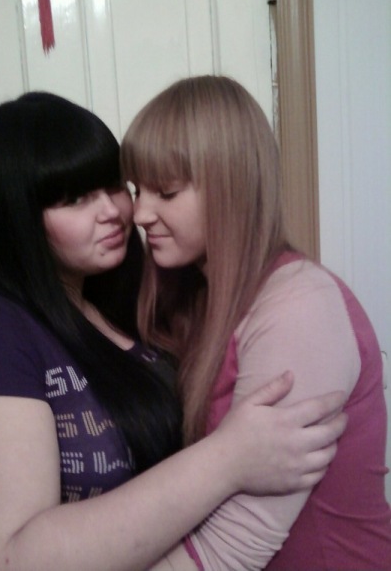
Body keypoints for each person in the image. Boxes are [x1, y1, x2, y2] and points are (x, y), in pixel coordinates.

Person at [0, 91, 348, 571]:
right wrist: (228, 458)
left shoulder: (132, 303)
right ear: (20, 217)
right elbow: (0, 562)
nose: (116, 211)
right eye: (76, 199)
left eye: (115, 185)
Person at [121, 75, 391, 570]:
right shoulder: (201, 299)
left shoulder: (299, 307)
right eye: (138, 190)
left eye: (166, 192)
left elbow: (232, 547)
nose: (139, 213)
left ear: (233, 187)